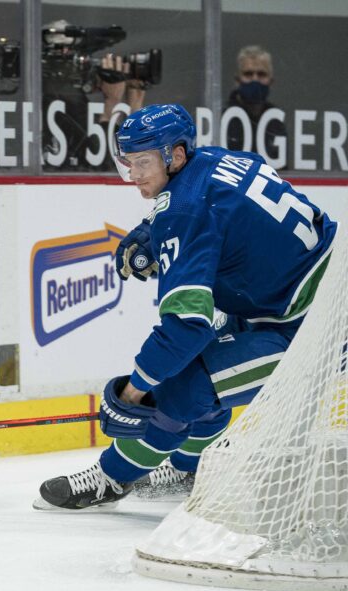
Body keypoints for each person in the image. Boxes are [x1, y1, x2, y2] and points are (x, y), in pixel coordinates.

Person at [34, 103, 337, 511]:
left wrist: (132, 392)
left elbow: (186, 327)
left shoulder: (184, 212)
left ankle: (112, 478)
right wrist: (149, 230)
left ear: (176, 156)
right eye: (128, 163)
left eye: (143, 162)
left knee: (180, 386)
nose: (135, 175)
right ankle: (188, 468)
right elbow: (211, 204)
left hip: (320, 328)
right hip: (305, 293)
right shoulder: (218, 157)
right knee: (194, 371)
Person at [41, 20, 148, 171]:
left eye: (76, 54)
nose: (75, 61)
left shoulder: (75, 99)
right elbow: (101, 163)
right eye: (63, 53)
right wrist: (112, 102)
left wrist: (134, 103)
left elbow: (137, 164)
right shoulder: (50, 101)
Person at [225, 45, 287, 161]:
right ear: (237, 80)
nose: (255, 80)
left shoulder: (276, 121)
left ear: (271, 82)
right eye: (248, 74)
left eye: (261, 74)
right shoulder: (224, 117)